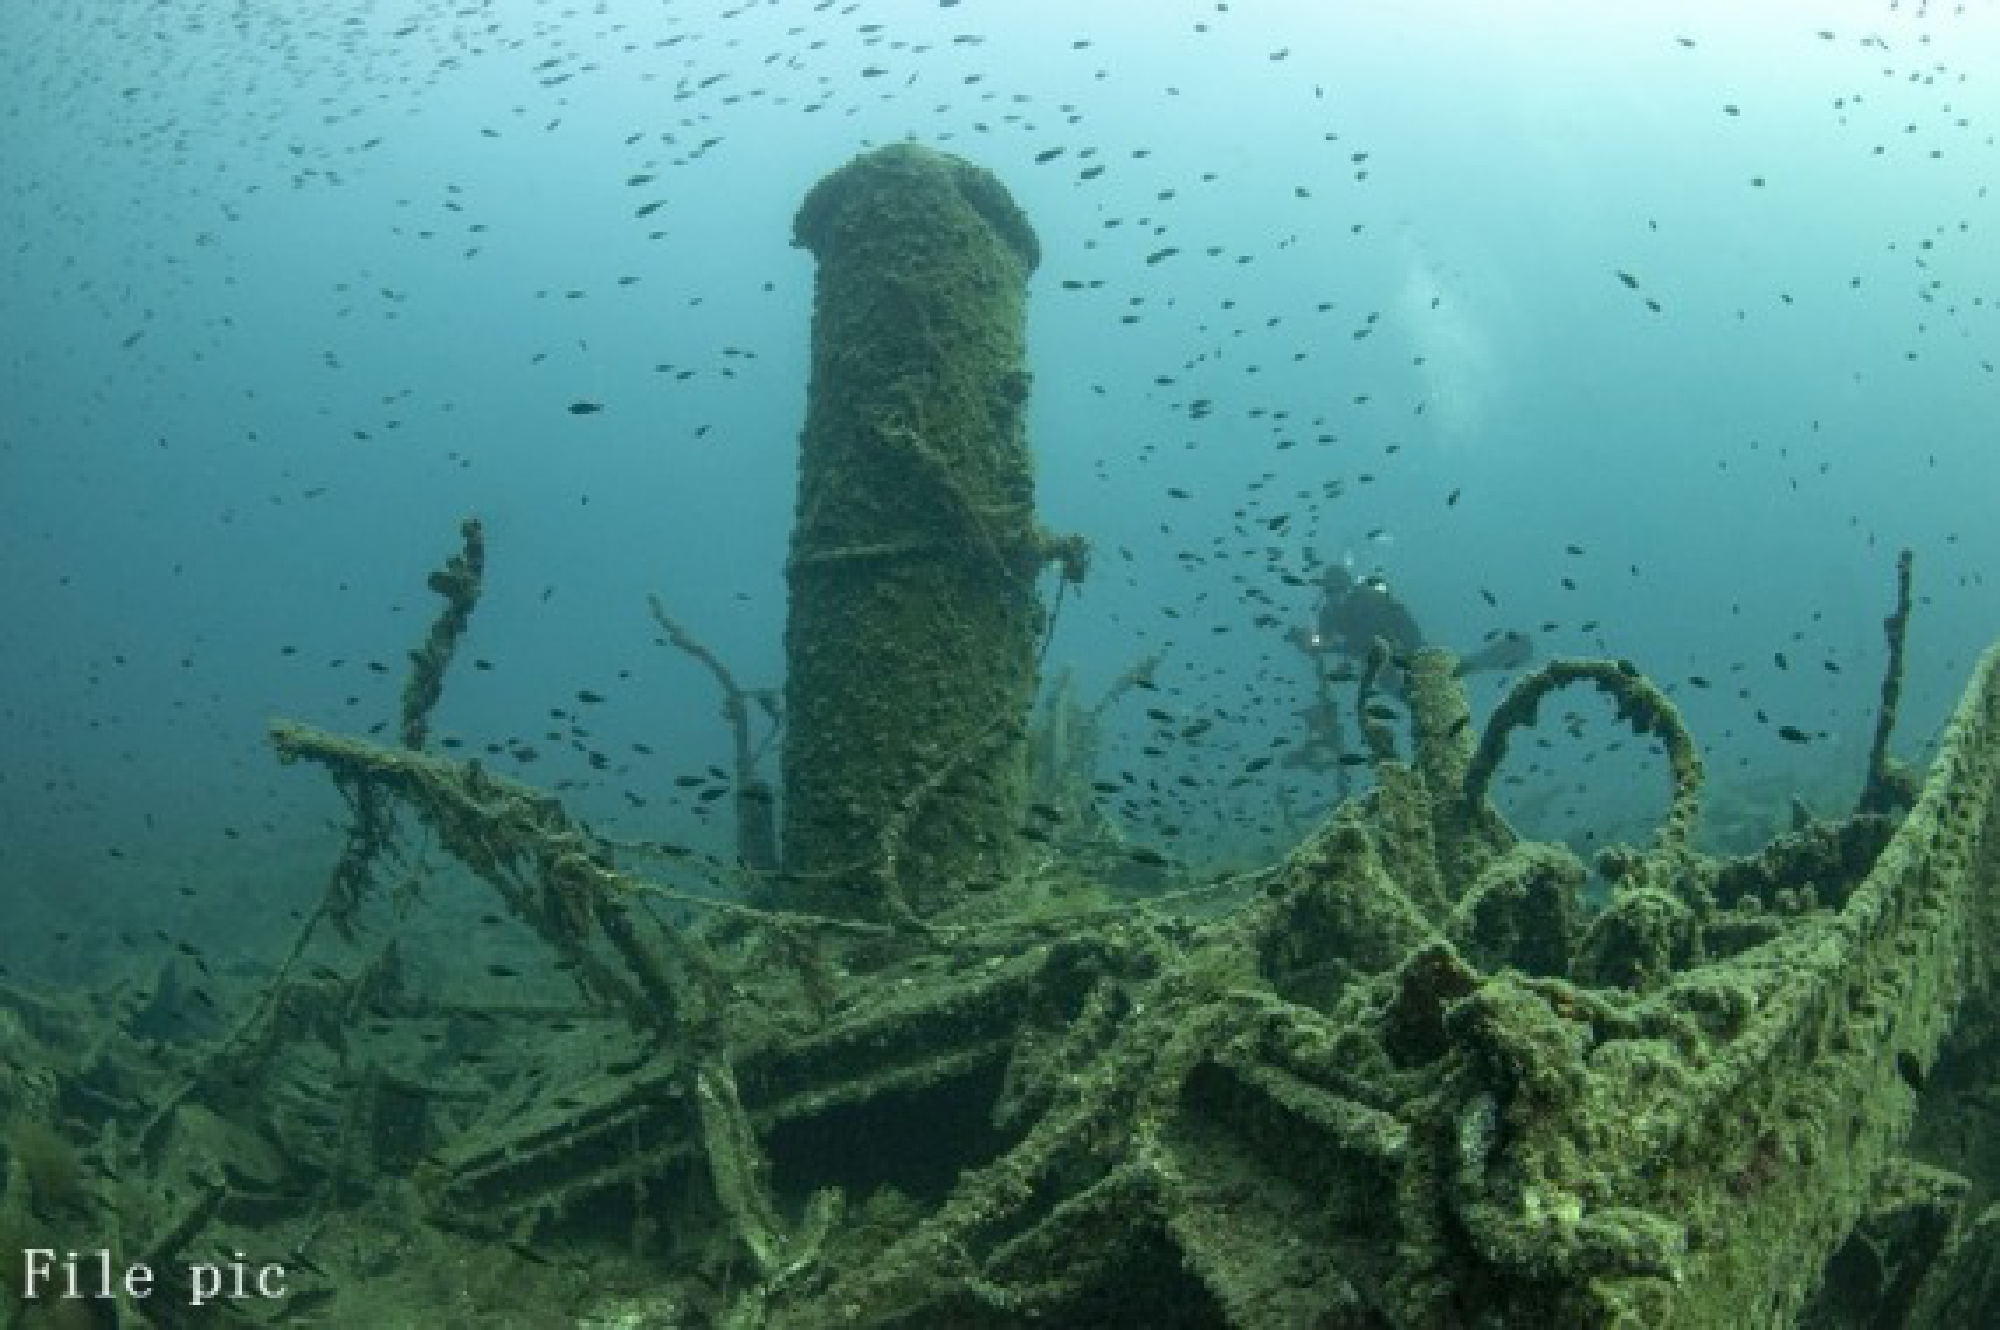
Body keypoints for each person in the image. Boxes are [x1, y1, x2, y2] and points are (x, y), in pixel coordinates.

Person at [1298, 563, 1532, 691]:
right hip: (1377, 659)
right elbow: (1326, 640)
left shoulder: (1365, 599)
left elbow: (1363, 640)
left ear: (1348, 587)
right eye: (1332, 593)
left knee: (1438, 671)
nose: (1338, 598)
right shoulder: (1329, 612)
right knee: (1407, 691)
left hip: (1398, 640)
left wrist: (1328, 648)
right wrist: (1312, 642)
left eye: (1341, 592)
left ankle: (1506, 651)